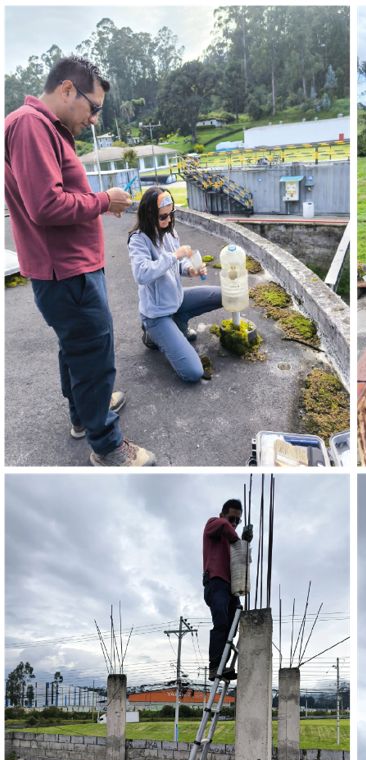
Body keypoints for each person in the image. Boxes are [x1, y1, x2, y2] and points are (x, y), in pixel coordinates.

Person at [4, 56, 155, 467]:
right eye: (94, 108)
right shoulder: (30, 125)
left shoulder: (43, 127)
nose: (94, 120)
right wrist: (105, 201)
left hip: (69, 270)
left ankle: (82, 415)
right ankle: (107, 444)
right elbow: (45, 205)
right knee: (94, 355)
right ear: (68, 90)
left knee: (77, 350)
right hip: (67, 273)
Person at [128, 187, 224, 382]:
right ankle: (152, 335)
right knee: (193, 373)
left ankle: (178, 325)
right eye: (163, 217)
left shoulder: (170, 232)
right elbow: (142, 274)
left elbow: (178, 263)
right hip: (156, 314)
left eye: (171, 214)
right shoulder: (138, 239)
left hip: (176, 299)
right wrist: (175, 255)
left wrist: (190, 269)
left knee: (226, 294)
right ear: (149, 214)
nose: (169, 220)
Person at [203, 500, 254, 681]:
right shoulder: (214, 524)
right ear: (222, 514)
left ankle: (223, 663)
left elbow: (243, 561)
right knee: (222, 622)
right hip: (216, 582)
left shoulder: (232, 540)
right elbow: (224, 526)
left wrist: (245, 543)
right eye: (231, 518)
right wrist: (239, 539)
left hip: (230, 587)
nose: (234, 523)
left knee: (232, 626)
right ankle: (215, 666)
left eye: (237, 521)